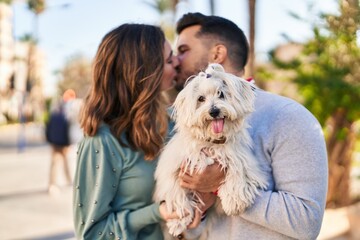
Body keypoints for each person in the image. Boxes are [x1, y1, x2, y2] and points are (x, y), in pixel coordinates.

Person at [174, 12, 328, 240]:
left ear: (217, 54)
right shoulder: (186, 126)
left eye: (183, 51)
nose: (175, 61)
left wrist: (221, 183)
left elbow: (306, 222)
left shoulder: (288, 117)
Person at [72, 23, 202, 240]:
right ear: (145, 73)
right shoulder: (102, 142)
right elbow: (92, 233)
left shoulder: (174, 123)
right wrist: (157, 213)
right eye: (169, 60)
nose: (178, 62)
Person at [45, 99, 72, 194]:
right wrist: (68, 144)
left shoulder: (52, 117)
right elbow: (67, 132)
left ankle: (52, 183)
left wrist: (50, 141)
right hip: (62, 144)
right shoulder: (64, 118)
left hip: (55, 144)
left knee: (54, 165)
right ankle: (69, 180)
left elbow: (47, 131)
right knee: (65, 163)